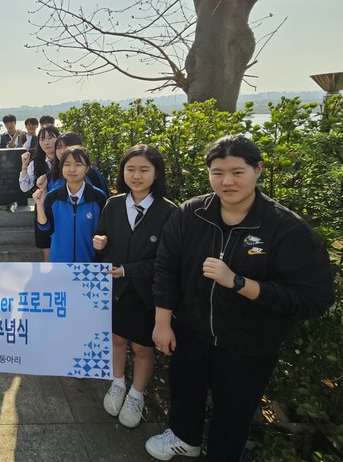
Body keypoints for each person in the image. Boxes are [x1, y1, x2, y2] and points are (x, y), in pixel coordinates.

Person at [146, 135, 334, 462]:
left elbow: (313, 298)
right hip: (191, 330)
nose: (227, 182)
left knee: (234, 413)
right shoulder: (192, 213)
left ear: (257, 170)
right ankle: (184, 439)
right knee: (185, 391)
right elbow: (166, 268)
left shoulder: (285, 228)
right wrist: (162, 323)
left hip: (249, 344)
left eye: (237, 172)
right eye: (218, 173)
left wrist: (239, 283)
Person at [92, 145, 177, 428]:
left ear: (156, 173)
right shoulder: (113, 204)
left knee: (142, 347)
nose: (136, 176)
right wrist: (100, 244)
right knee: (116, 339)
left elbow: (166, 262)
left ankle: (137, 394)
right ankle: (118, 383)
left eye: (144, 170)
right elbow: (102, 242)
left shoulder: (169, 212)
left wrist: (129, 270)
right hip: (115, 290)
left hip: (146, 294)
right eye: (130, 169)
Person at [33, 146, 106, 262]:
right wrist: (40, 206)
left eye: (78, 164)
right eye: (67, 164)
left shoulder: (98, 197)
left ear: (87, 168)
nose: (72, 169)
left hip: (89, 265)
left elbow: (106, 231)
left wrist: (103, 240)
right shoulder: (53, 197)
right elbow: (45, 229)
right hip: (59, 265)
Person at [20, 125, 61, 261]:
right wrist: (24, 166)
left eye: (50, 138)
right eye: (42, 139)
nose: (46, 142)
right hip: (43, 210)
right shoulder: (35, 163)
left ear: (58, 139)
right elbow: (24, 187)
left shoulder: (66, 161)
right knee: (46, 247)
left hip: (63, 209)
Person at [55, 132, 109, 197]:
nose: (62, 151)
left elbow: (103, 198)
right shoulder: (51, 175)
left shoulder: (92, 173)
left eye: (66, 147)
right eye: (58, 147)